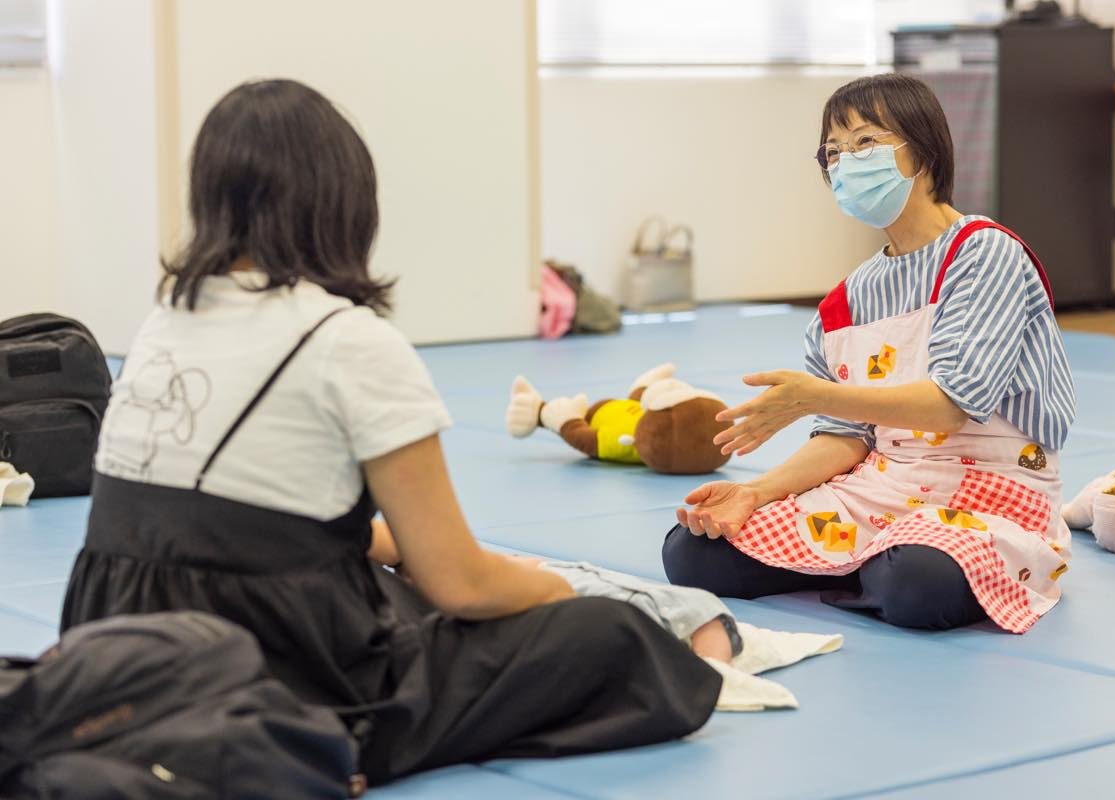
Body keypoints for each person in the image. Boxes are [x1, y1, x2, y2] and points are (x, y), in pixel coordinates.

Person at [60, 79, 719, 785]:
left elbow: (232, 519)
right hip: (271, 672)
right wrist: (549, 593)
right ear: (342, 200)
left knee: (395, 584)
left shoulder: (166, 319)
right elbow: (461, 584)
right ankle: (330, 741)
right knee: (613, 637)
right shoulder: (349, 341)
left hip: (110, 645)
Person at [663, 74, 1076, 634]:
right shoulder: (847, 300)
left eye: (865, 143)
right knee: (693, 551)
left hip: (990, 493)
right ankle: (870, 566)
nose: (845, 161)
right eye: (833, 151)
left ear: (923, 151)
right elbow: (845, 437)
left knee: (917, 582)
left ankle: (880, 567)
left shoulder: (985, 253)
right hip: (879, 490)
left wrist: (814, 395)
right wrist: (753, 492)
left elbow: (952, 403)